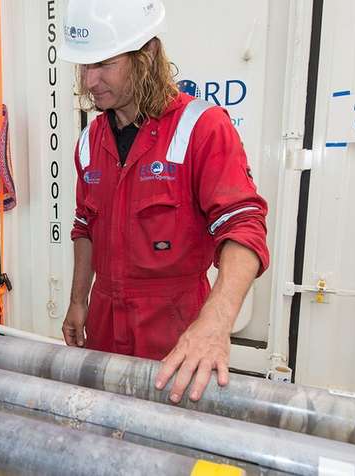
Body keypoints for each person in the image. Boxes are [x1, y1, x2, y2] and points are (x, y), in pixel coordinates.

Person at [59, 0, 270, 404]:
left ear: (147, 54)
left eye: (103, 63)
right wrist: (77, 302)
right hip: (104, 321)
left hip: (175, 329)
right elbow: (85, 226)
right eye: (84, 66)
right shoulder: (88, 141)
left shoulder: (201, 127)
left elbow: (244, 225)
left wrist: (214, 323)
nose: (89, 81)